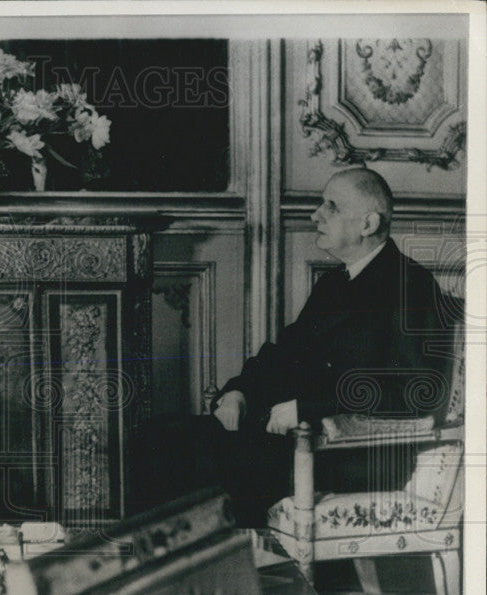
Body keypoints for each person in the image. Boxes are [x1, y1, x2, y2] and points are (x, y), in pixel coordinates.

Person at [131, 167, 451, 526]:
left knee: (191, 455)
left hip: (352, 454)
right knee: (158, 436)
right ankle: (165, 573)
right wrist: (239, 391)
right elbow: (283, 354)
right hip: (297, 441)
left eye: (331, 206)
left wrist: (307, 409)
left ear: (368, 224)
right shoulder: (333, 283)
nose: (316, 214)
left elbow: (416, 394)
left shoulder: (412, 288)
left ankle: (201, 572)